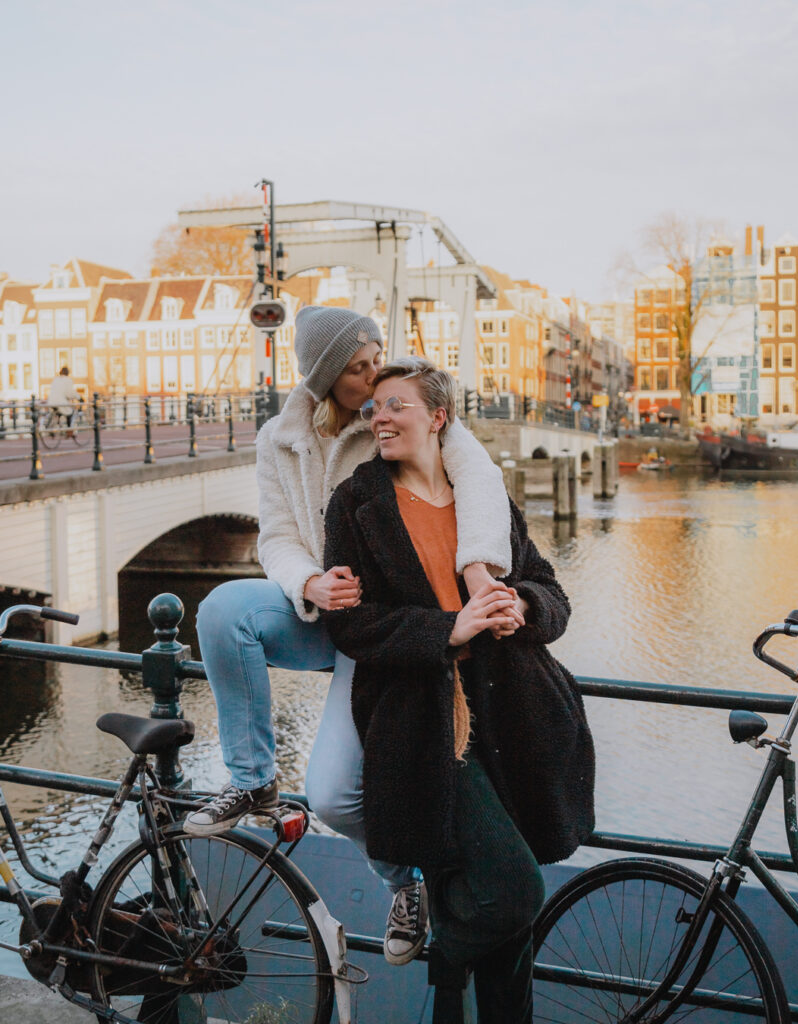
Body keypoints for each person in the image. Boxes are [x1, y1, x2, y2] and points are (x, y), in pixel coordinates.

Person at [185, 306, 513, 966]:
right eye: (358, 367)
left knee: (334, 794)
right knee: (222, 610)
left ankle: (403, 878)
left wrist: (479, 568)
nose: (373, 375)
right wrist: (309, 583)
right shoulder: (281, 437)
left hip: (380, 632)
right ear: (328, 377)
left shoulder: (398, 409)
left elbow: (480, 478)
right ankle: (253, 781)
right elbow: (276, 536)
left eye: (375, 358)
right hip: (321, 615)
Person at [322, 358, 595, 1023]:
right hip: (431, 720)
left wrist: (519, 608)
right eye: (373, 409)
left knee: (506, 923)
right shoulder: (357, 503)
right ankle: (448, 955)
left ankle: (465, 995)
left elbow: (551, 593)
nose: (378, 418)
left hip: (517, 714)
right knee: (512, 892)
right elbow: (352, 625)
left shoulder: (484, 497)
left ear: (437, 417)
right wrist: (448, 629)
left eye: (395, 406)